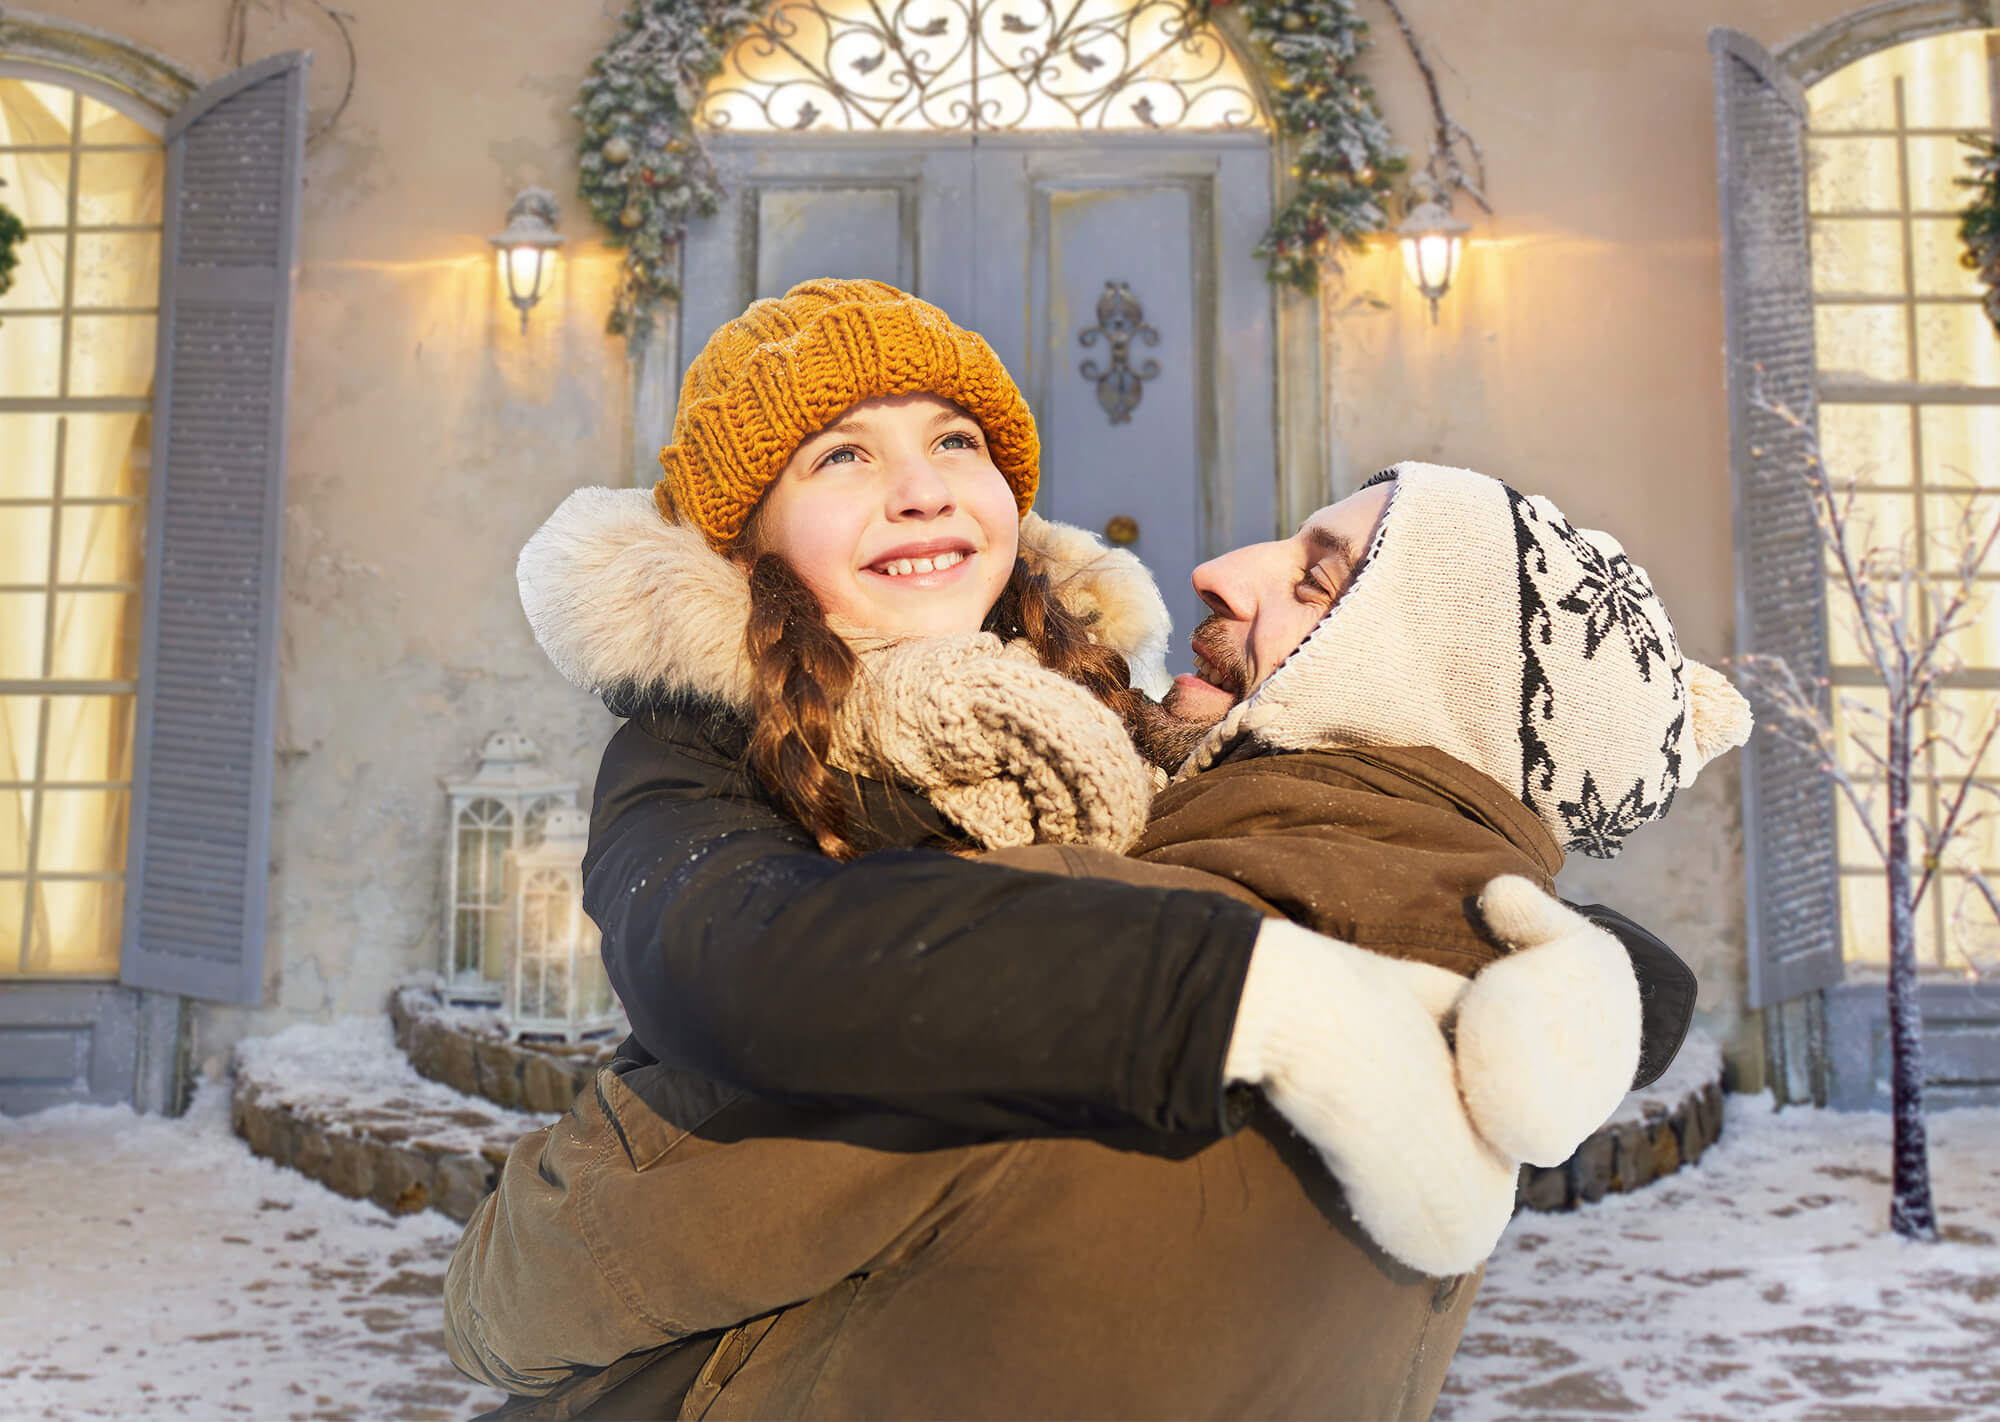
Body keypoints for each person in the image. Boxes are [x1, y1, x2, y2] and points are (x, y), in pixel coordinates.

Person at [445, 279, 1721, 1418]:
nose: (924, 484)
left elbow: (1373, 871)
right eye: (839, 455)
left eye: (957, 440)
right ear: (749, 539)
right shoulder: (699, 739)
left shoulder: (1097, 708)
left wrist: (1586, 988)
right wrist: (1259, 996)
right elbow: (727, 959)